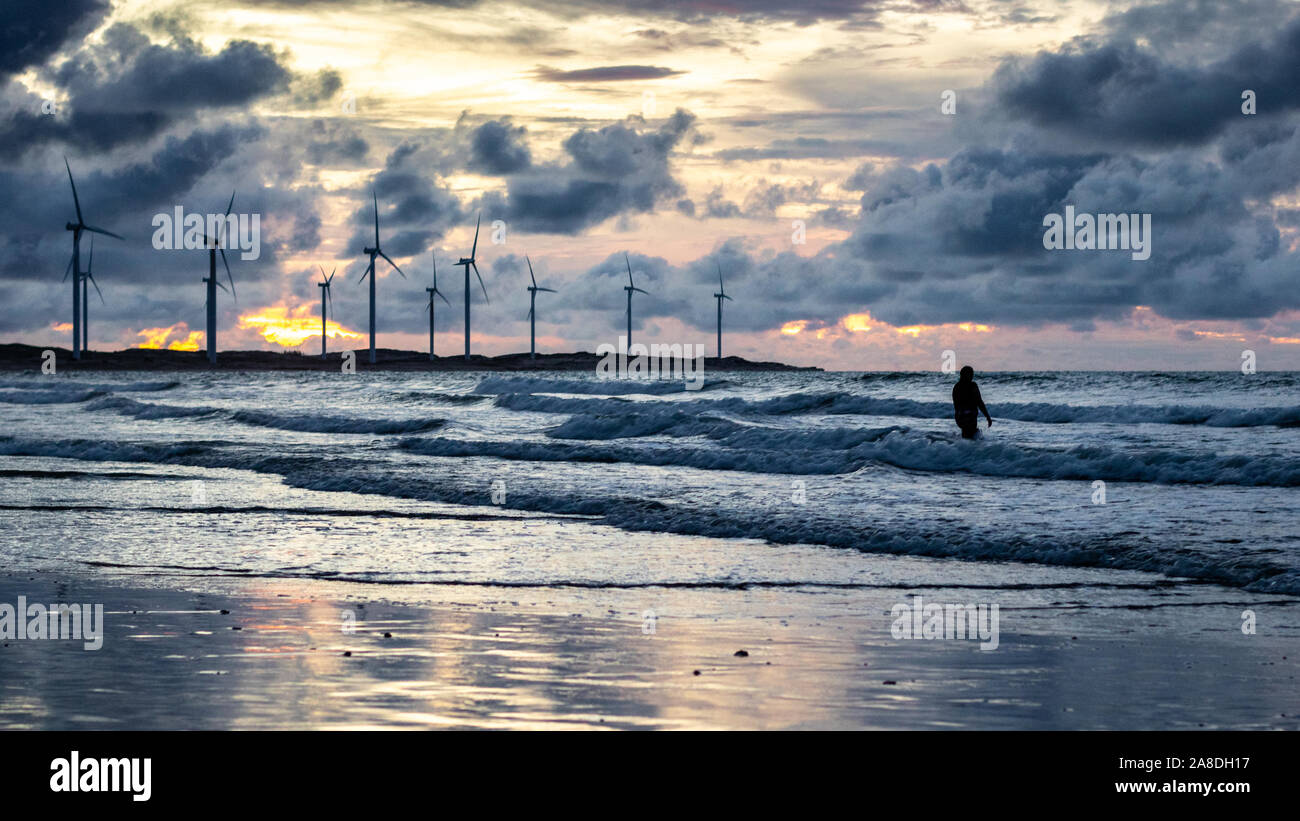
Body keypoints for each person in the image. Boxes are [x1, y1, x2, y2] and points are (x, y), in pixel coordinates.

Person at [952, 365, 992, 439]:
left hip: (960, 418)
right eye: (971, 374)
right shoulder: (972, 386)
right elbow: (979, 402)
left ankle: (961, 445)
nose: (972, 376)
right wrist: (987, 417)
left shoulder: (956, 387)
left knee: (967, 436)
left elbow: (956, 406)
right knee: (972, 436)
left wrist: (959, 417)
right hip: (970, 417)